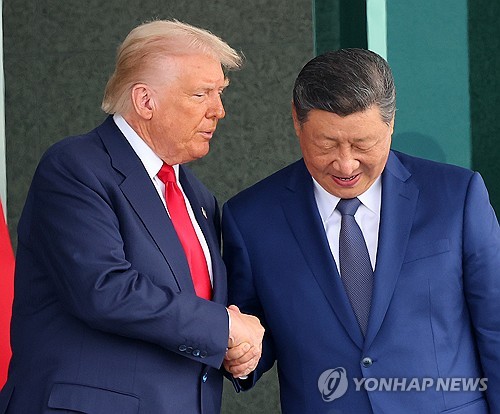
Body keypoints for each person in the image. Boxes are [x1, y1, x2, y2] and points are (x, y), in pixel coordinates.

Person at [0, 19, 264, 414]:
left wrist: (236, 349)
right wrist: (224, 328)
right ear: (145, 101)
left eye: (220, 93)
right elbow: (104, 289)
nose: (219, 111)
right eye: (201, 94)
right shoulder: (75, 167)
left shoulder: (197, 197)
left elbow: (193, 318)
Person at [222, 48, 500, 413]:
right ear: (296, 121)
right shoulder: (251, 218)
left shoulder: (456, 197)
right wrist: (241, 353)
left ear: (391, 122)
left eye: (362, 144)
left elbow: (495, 325)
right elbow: (252, 329)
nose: (345, 164)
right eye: (326, 144)